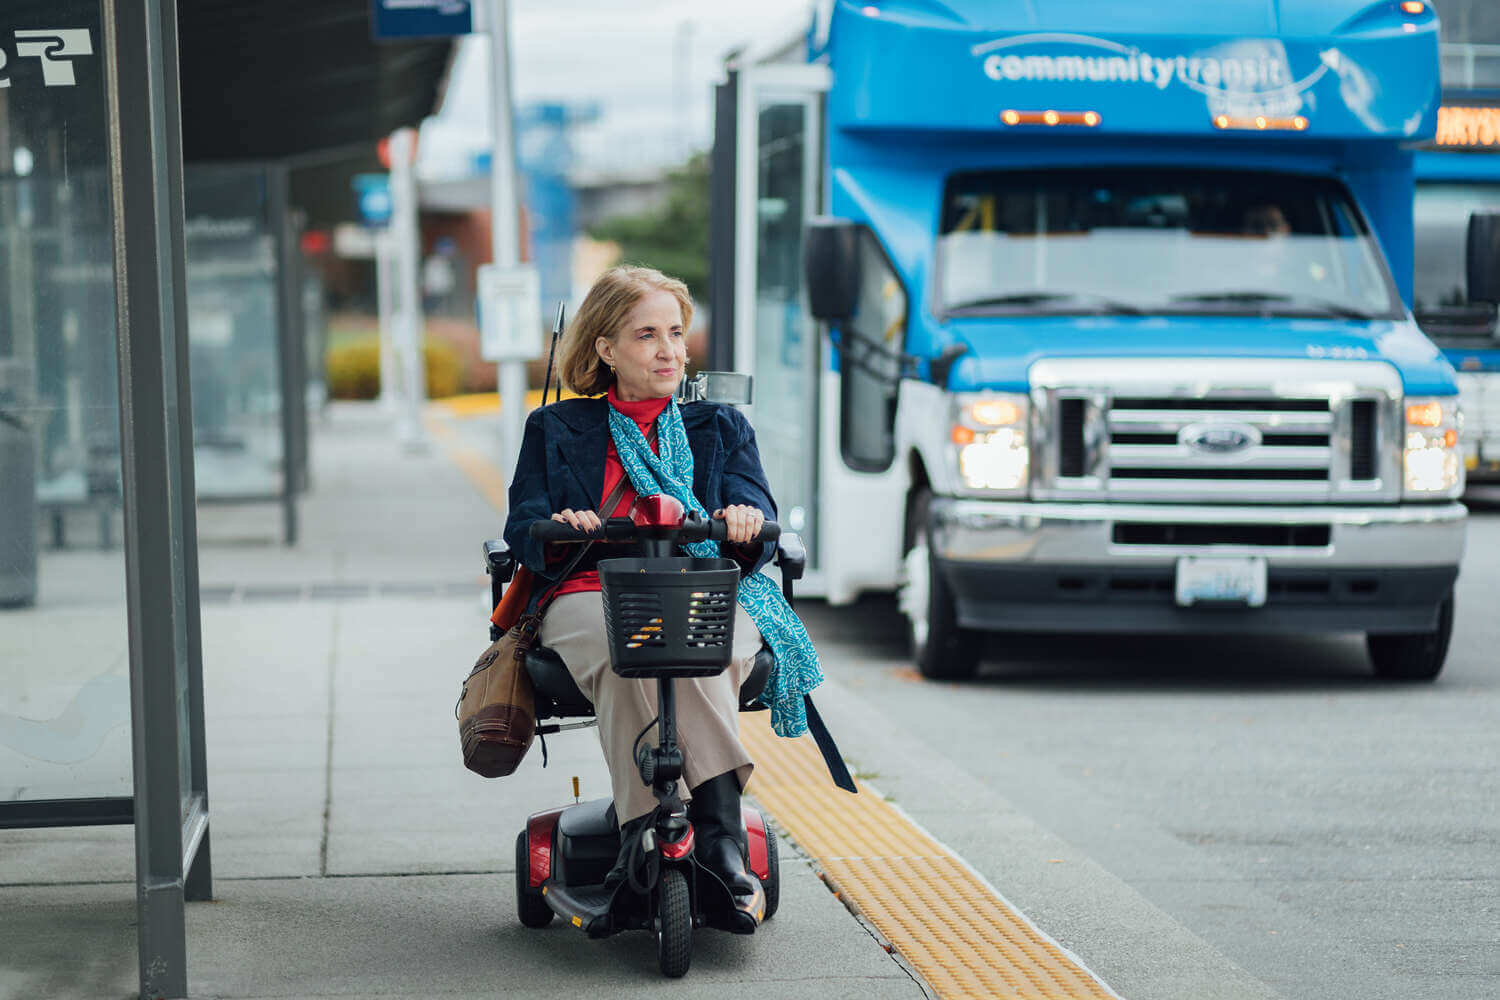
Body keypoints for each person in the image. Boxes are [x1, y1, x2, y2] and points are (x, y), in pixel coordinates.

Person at [502, 265, 820, 902]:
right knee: (630, 654)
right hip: (588, 587)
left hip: (700, 583)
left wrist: (743, 518)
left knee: (707, 645)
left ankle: (717, 835)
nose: (669, 350)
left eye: (675, 333)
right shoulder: (557, 429)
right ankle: (657, 828)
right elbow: (520, 526)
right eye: (646, 335)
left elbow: (755, 511)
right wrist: (557, 524)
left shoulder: (719, 428)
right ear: (606, 349)